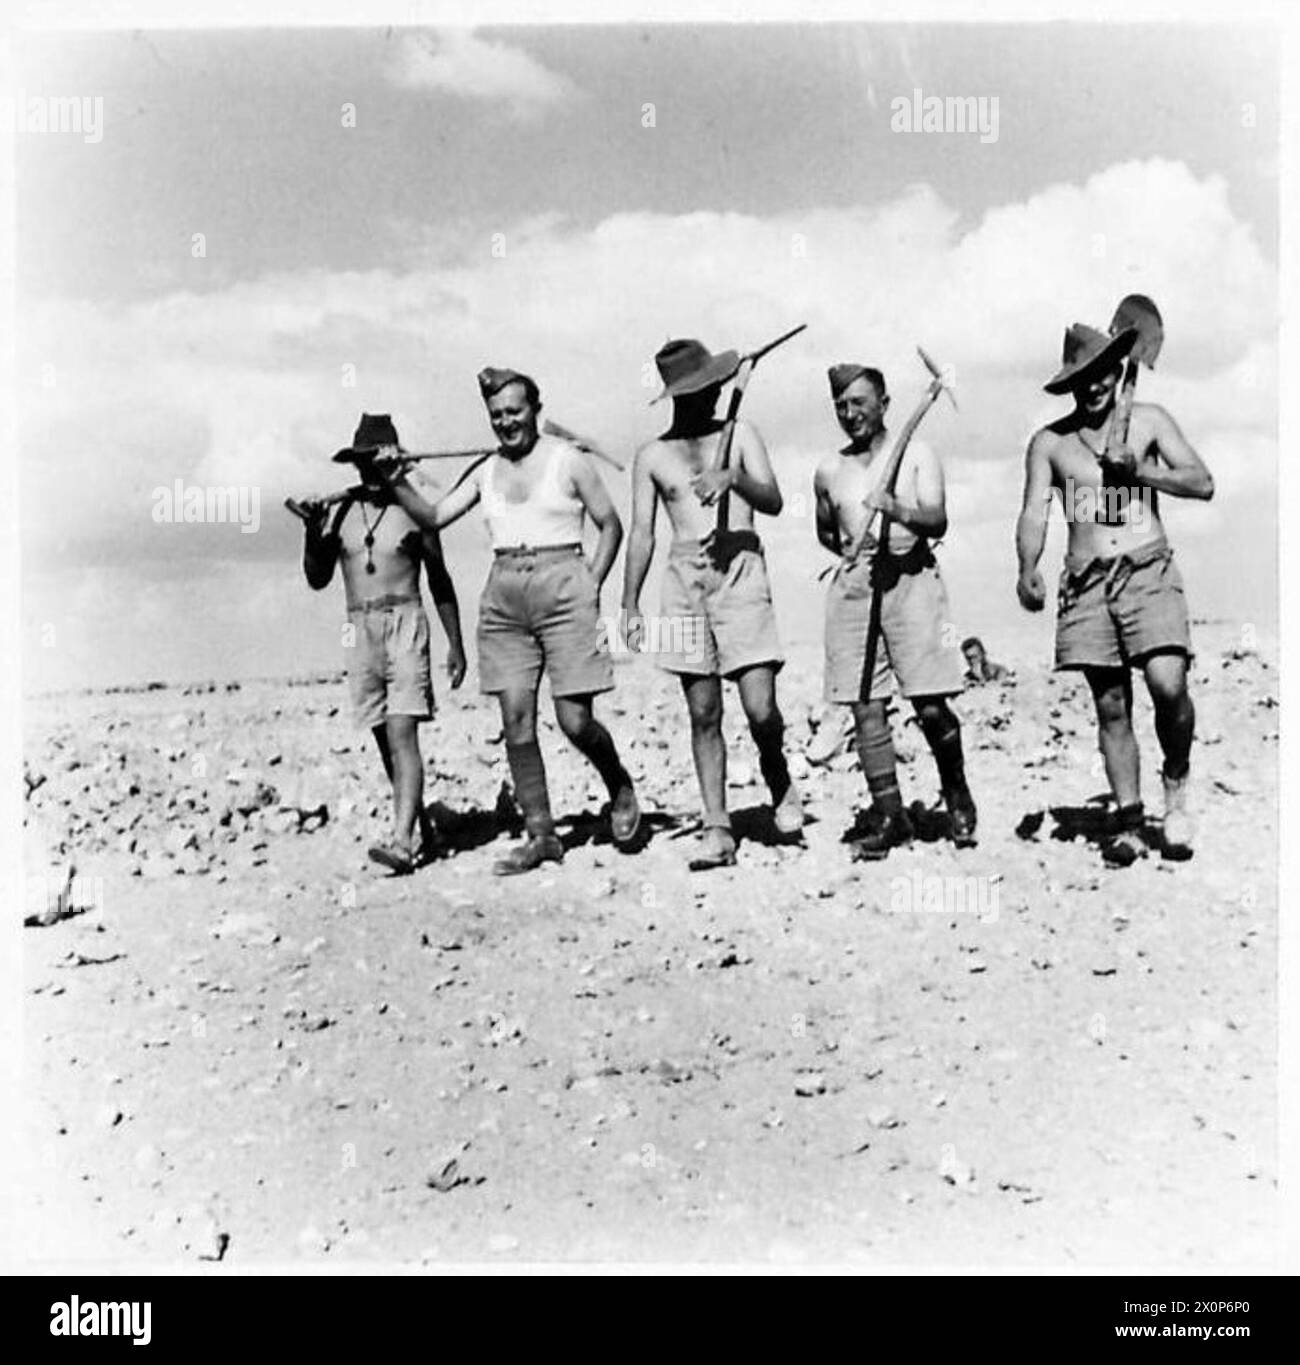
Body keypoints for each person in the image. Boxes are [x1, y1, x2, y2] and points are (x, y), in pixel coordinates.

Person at [381, 368, 640, 875]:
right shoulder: (485, 470)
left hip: (565, 586)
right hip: (505, 597)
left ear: (535, 409)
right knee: (516, 721)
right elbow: (434, 517)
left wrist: (592, 581)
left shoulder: (568, 462)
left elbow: (611, 525)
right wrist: (395, 480)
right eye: (497, 415)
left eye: (515, 412)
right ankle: (541, 834)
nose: (506, 423)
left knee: (574, 720)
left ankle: (619, 785)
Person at [1015, 322, 1214, 865]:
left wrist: (1142, 471)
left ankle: (1175, 784)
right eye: (1082, 378)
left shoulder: (1148, 422)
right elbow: (1035, 511)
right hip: (1085, 581)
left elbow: (1202, 482)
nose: (1095, 386)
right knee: (1110, 704)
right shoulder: (1051, 443)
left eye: (1102, 373)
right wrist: (1026, 566)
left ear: (1116, 370)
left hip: (1148, 569)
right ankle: (1128, 820)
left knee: (1167, 683)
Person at [621, 338, 803, 870]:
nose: (707, 398)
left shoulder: (740, 434)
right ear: (677, 394)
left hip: (740, 568)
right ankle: (718, 826)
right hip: (683, 579)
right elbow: (641, 534)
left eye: (711, 388)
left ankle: (777, 772)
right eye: (694, 391)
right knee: (703, 711)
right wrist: (630, 605)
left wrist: (734, 478)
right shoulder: (652, 455)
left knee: (759, 706)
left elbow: (772, 500)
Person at [814, 363, 975, 857]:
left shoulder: (918, 453)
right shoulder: (829, 470)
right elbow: (826, 531)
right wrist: (851, 556)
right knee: (865, 704)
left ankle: (957, 794)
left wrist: (898, 510)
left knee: (928, 702)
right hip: (857, 585)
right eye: (841, 405)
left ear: (884, 405)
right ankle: (891, 817)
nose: (850, 413)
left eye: (860, 403)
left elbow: (937, 519)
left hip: (910, 578)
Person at [299, 413, 466, 875]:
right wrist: (312, 533)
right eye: (361, 462)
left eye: (376, 460)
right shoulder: (342, 511)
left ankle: (400, 841)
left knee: (401, 731)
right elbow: (317, 578)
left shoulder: (416, 510)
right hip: (360, 628)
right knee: (381, 733)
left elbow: (440, 580)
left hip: (405, 619)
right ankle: (413, 823)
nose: (368, 469)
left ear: (392, 460)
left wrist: (455, 644)